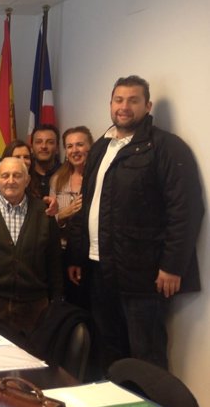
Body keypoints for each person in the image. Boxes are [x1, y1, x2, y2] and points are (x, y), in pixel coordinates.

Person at [67, 76, 203, 370]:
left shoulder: (167, 148)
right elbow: (87, 204)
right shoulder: (101, 148)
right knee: (109, 351)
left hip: (144, 275)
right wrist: (77, 255)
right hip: (99, 269)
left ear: (147, 105)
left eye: (133, 100)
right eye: (119, 100)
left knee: (146, 357)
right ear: (111, 104)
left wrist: (172, 265)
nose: (124, 107)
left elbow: (187, 210)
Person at [0, 157, 62, 334]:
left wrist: (56, 300)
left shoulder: (44, 212)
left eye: (17, 175)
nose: (11, 181)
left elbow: (54, 261)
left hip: (34, 307)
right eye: (5, 175)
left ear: (27, 180)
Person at [50, 126, 93, 308]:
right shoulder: (58, 178)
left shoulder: (99, 177)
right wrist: (65, 213)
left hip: (90, 253)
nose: (75, 150)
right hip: (63, 252)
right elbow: (50, 220)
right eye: (69, 146)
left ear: (91, 146)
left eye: (80, 144)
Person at [30, 124, 61, 197]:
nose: (44, 146)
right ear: (31, 147)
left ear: (57, 148)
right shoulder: (25, 173)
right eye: (38, 142)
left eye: (50, 142)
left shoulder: (66, 173)